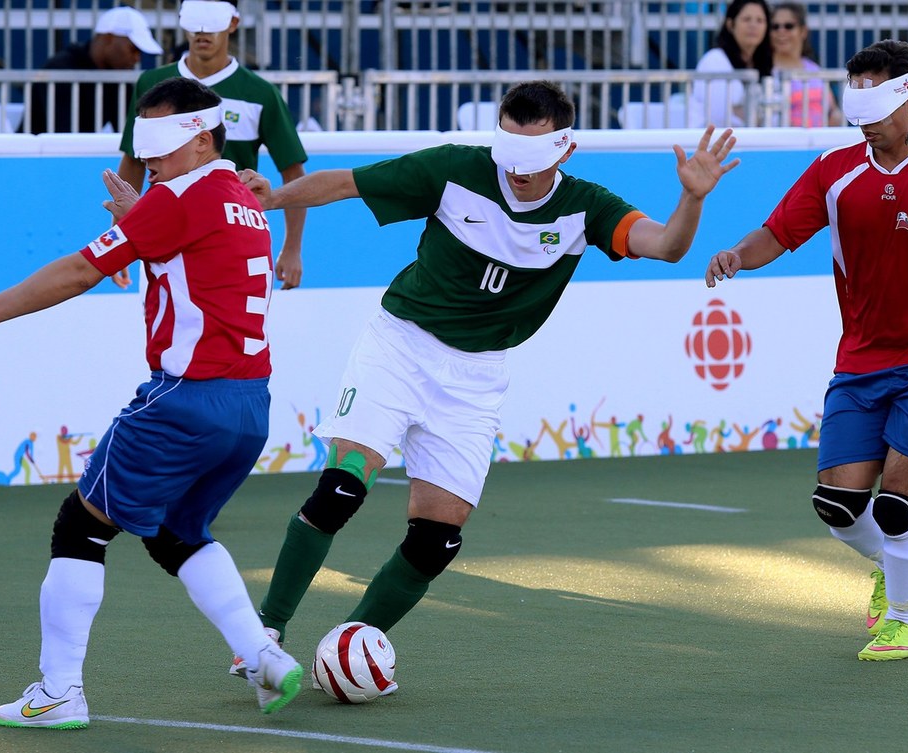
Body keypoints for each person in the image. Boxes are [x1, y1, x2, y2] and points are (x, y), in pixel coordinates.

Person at [227, 80, 740, 682]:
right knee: (342, 487)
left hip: (476, 375)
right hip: (401, 344)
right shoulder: (455, 169)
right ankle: (264, 630)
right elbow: (344, 182)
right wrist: (268, 198)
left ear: (565, 151)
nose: (517, 171)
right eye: (509, 152)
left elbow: (666, 247)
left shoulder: (586, 205)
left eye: (534, 157)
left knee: (436, 539)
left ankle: (351, 646)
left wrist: (692, 200)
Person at [0, 77, 304, 728]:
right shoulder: (239, 194)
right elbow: (192, 256)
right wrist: (138, 218)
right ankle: (260, 652)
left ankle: (58, 692)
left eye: (157, 139)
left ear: (202, 136)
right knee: (177, 532)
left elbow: (76, 271)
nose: (144, 154)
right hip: (249, 406)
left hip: (183, 399)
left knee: (81, 526)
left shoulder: (174, 198)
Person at [704, 40, 908, 661]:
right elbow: (778, 232)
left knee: (900, 499)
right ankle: (890, 565)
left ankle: (905, 619)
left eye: (877, 97)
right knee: (836, 503)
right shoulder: (834, 169)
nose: (865, 112)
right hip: (861, 358)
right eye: (857, 96)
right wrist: (739, 255)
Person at [115, 0, 308, 290]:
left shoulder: (260, 94)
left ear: (233, 23)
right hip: (163, 228)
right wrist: (119, 235)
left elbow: (292, 172)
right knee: (162, 324)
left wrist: (292, 248)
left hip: (231, 232)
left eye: (212, 21)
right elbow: (133, 160)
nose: (202, 33)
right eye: (195, 21)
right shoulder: (152, 82)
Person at [24, 6, 163, 135]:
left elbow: (129, 134)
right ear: (108, 38)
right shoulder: (61, 69)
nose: (137, 59)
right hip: (34, 156)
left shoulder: (116, 77)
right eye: (133, 49)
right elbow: (64, 136)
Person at [690, 0, 772, 128]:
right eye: (746, 19)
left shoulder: (765, 62)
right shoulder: (714, 60)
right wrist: (759, 115)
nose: (753, 25)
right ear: (730, 24)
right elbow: (720, 113)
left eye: (760, 20)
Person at [769, 2, 843, 127]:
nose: (781, 31)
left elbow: (832, 110)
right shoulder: (764, 70)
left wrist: (835, 116)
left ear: (803, 31)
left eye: (789, 26)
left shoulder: (814, 69)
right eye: (775, 26)